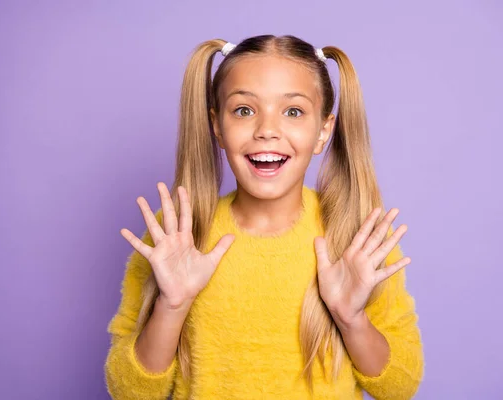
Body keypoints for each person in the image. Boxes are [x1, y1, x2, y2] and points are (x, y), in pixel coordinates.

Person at [104, 34, 424, 400]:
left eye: (293, 111)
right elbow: (130, 392)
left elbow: (399, 385)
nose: (267, 130)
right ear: (217, 126)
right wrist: (171, 306)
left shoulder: (357, 237)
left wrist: (352, 320)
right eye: (244, 110)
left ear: (323, 131)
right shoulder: (177, 235)